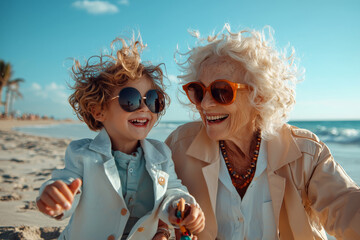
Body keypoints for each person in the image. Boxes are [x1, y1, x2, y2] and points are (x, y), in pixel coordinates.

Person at [165, 24, 360, 239]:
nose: (206, 104)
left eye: (221, 91)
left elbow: (346, 206)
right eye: (199, 91)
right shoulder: (178, 147)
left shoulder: (306, 153)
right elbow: (146, 210)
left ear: (260, 96)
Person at [36, 36, 205, 240]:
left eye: (152, 100)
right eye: (130, 100)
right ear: (98, 111)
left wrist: (182, 208)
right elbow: (67, 183)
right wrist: (54, 196)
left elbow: (172, 191)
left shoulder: (161, 153)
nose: (144, 108)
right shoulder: (82, 154)